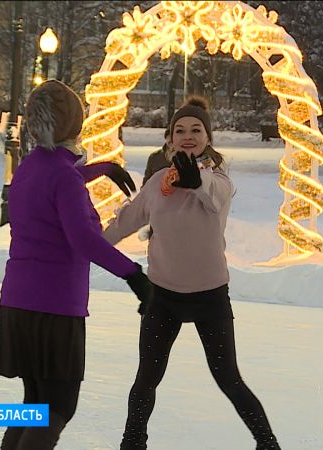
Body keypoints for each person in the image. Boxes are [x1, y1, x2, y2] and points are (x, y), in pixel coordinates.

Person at [103, 96, 280, 450]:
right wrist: (78, 239)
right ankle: (132, 443)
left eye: (196, 130)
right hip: (163, 297)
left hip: (209, 297)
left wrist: (194, 178)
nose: (187, 135)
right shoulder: (156, 185)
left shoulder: (219, 181)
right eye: (180, 130)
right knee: (146, 379)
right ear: (169, 139)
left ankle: (268, 443)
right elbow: (122, 224)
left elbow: (212, 197)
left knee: (228, 378)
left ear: (207, 138)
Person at [0, 80, 152, 450]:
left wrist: (102, 168)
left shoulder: (29, 167)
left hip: (18, 304)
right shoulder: (61, 177)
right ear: (76, 125)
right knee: (58, 406)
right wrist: (134, 275)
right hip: (54, 308)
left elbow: (58, 176)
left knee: (34, 406)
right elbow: (83, 239)